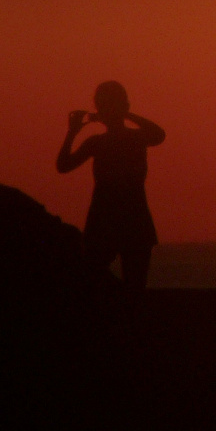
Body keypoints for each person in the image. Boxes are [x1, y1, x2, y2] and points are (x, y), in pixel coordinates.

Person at [56, 80, 165, 289]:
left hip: (107, 219)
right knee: (135, 285)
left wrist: (73, 132)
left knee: (94, 283)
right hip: (128, 219)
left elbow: (63, 165)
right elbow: (158, 134)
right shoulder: (133, 138)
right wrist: (126, 113)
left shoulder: (100, 142)